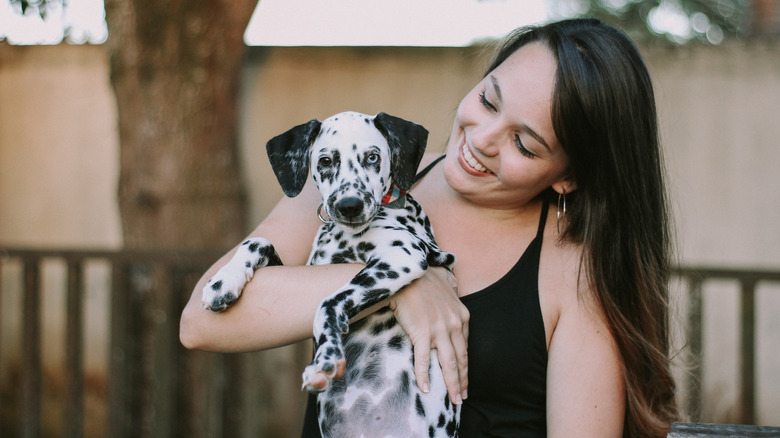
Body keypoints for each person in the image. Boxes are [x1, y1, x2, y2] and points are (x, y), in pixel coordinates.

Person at [180, 18, 679, 437]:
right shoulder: (352, 176)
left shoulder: (575, 273)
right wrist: (400, 282)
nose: (482, 139)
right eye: (488, 100)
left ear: (569, 176)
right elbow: (203, 321)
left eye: (523, 145)